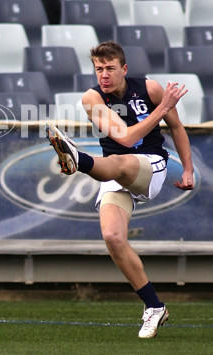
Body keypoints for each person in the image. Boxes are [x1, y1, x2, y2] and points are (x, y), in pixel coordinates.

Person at [46, 41, 194, 339]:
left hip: (150, 166)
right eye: (98, 69)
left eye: (110, 68)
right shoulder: (92, 98)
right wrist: (162, 108)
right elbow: (125, 138)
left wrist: (188, 169)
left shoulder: (149, 89)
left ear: (124, 69)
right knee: (112, 237)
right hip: (114, 169)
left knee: (118, 162)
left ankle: (80, 160)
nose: (103, 75)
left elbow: (176, 128)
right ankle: (154, 307)